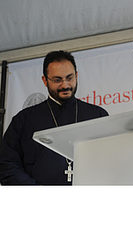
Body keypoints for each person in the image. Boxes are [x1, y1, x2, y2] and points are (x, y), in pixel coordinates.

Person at [0, 50, 109, 185]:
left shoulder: (97, 116)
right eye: (57, 80)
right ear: (45, 80)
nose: (65, 85)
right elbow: (7, 165)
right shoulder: (23, 120)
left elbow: (109, 162)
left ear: (77, 75)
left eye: (70, 78)